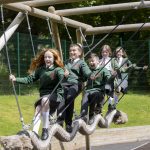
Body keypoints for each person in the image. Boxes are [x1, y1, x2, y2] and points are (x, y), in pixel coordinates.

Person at [9, 48, 64, 140]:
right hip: (44, 96)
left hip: (55, 96)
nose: (47, 59)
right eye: (46, 57)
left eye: (49, 57)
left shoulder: (58, 69)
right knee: (38, 108)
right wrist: (15, 79)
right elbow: (29, 79)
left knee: (44, 100)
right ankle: (34, 133)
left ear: (54, 58)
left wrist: (65, 75)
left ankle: (45, 129)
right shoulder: (40, 70)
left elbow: (63, 76)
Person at [61, 43, 91, 132]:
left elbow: (87, 72)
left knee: (70, 97)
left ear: (79, 52)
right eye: (70, 50)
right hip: (65, 84)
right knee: (61, 99)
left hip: (76, 84)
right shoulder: (66, 62)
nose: (72, 52)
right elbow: (59, 70)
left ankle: (68, 124)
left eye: (74, 50)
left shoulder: (81, 63)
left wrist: (91, 75)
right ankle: (59, 121)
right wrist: (63, 72)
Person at [80, 53, 112, 124]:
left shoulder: (103, 70)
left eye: (92, 61)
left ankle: (92, 115)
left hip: (99, 90)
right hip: (88, 91)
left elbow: (108, 77)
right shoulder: (88, 71)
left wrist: (111, 77)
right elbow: (83, 78)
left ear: (98, 61)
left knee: (95, 96)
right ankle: (83, 116)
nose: (91, 63)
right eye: (89, 62)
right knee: (84, 99)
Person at [98, 44, 118, 112]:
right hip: (101, 79)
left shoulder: (112, 60)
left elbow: (117, 68)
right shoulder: (99, 60)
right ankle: (99, 106)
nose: (104, 53)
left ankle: (110, 104)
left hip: (109, 78)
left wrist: (114, 71)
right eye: (103, 52)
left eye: (106, 52)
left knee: (109, 90)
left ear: (109, 52)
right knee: (101, 93)